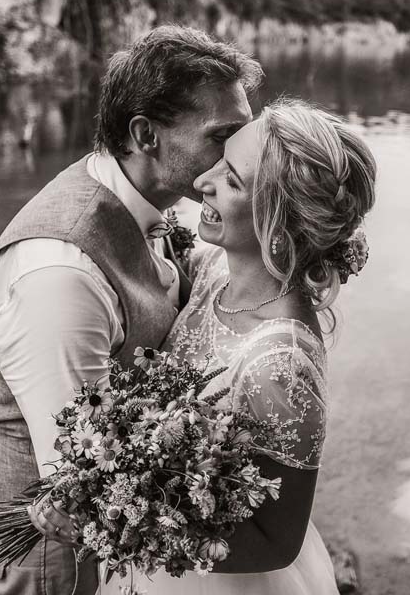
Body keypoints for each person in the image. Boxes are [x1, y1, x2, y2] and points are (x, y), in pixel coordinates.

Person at [0, 25, 263, 595]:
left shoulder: (142, 195)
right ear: (146, 135)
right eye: (224, 135)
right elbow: (80, 473)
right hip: (50, 556)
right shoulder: (60, 276)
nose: (242, 154)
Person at [103, 96, 378, 594]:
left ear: (278, 225)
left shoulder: (280, 364)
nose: (201, 182)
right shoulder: (216, 269)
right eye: (219, 161)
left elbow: (278, 541)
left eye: (230, 180)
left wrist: (119, 521)